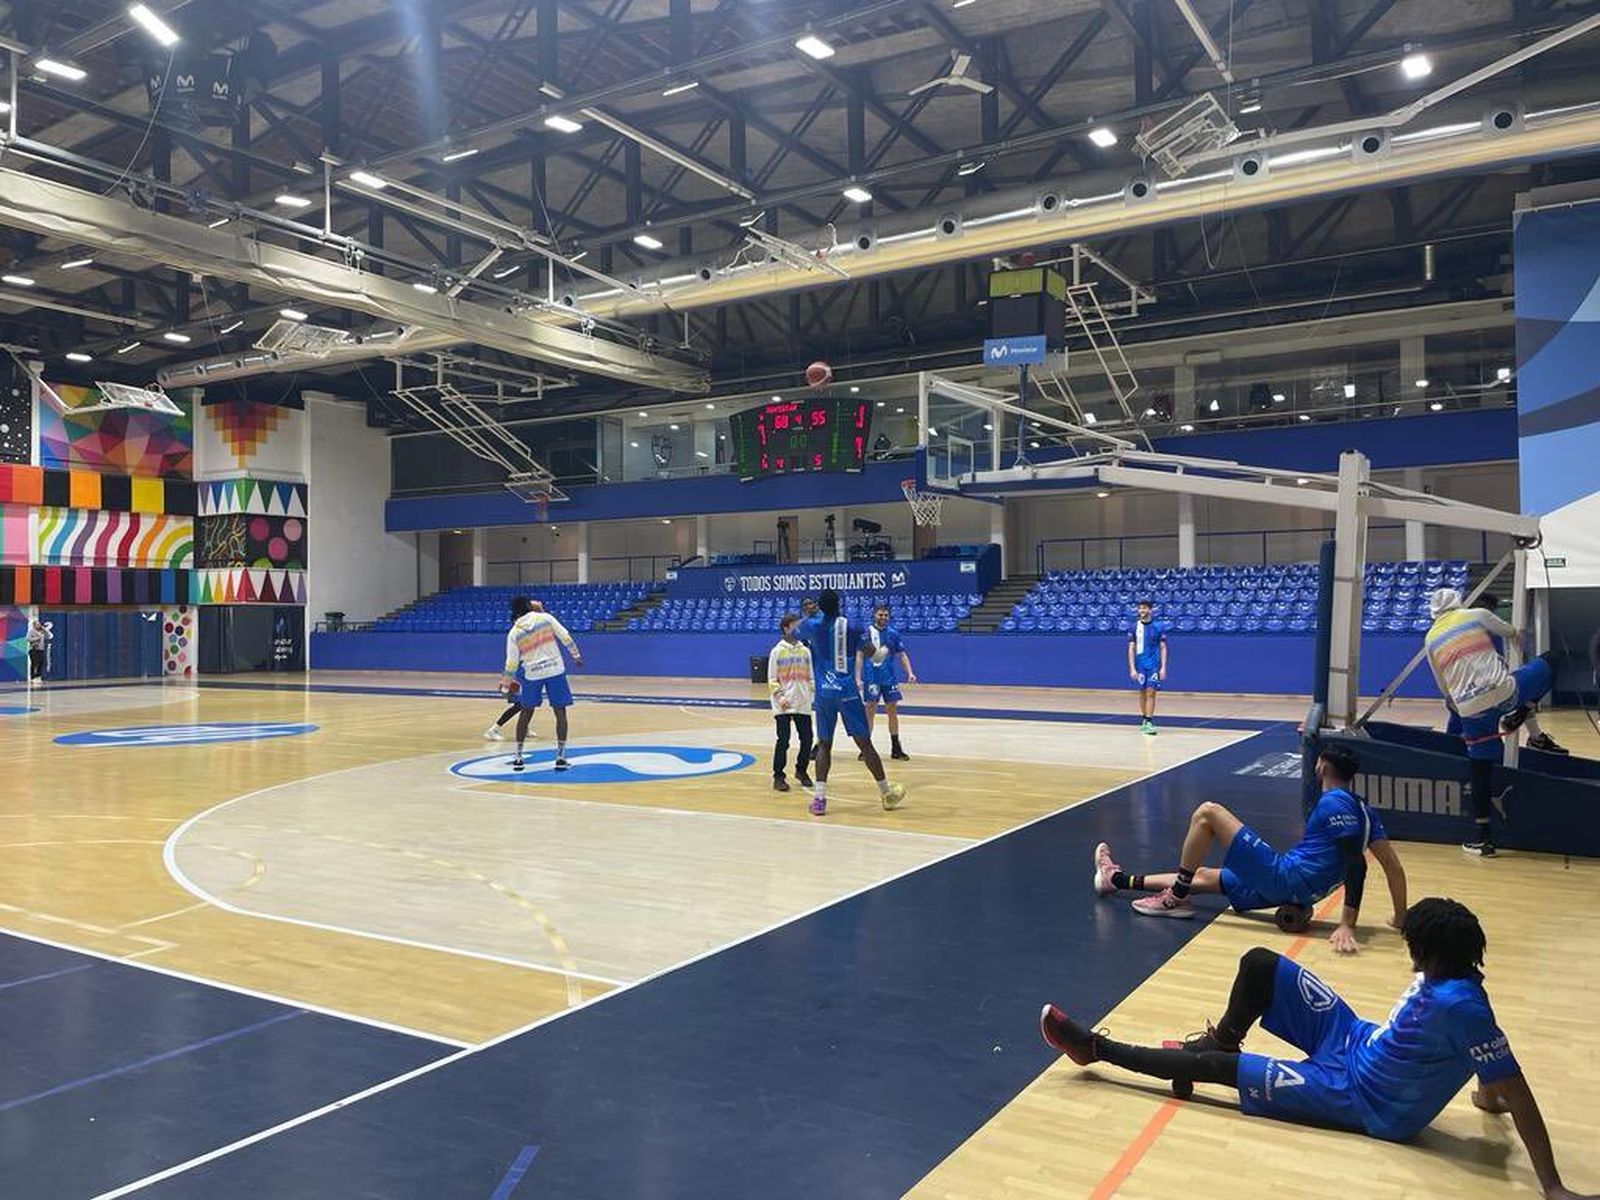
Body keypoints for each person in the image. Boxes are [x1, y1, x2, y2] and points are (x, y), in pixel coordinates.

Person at [1040, 897, 1597, 1200]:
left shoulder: (1462, 1006)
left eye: (1412, 945)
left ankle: (1096, 1050)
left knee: (1218, 1069)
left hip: (1357, 1096)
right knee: (1261, 963)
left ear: (1428, 950)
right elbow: (1488, 1061)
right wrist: (1485, 1094)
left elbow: (1517, 1088)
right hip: (1356, 1040)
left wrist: (1550, 1186)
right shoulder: (1459, 981)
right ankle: (1220, 1035)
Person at [1094, 744, 1408, 952]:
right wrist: (1400, 917)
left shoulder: (1333, 802)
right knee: (1203, 876)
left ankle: (1175, 896)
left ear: (1321, 766)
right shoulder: (1364, 809)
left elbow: (1356, 863)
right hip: (1299, 890)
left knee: (1208, 813)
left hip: (1286, 877)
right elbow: (1393, 868)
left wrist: (1346, 923)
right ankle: (1115, 880)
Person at [1425, 587, 1565, 858]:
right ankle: (1523, 713)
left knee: (1480, 769)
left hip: (1469, 710)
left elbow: (1444, 687)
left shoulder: (1430, 639)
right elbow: (1512, 632)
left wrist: (1461, 707)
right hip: (1504, 693)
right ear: (1458, 603)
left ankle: (1483, 840)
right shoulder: (1477, 615)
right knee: (1553, 659)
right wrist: (1517, 637)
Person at [796, 588, 906, 817]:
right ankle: (886, 792)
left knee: (824, 744)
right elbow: (875, 656)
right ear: (839, 605)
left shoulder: (811, 625)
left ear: (819, 606)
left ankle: (819, 800)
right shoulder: (853, 626)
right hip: (847, 692)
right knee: (865, 744)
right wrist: (888, 647)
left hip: (824, 694)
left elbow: (792, 634)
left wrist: (808, 617)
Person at [501, 595, 582, 772]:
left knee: (525, 713)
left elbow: (511, 662)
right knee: (560, 712)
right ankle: (560, 757)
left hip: (532, 674)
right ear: (529, 606)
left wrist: (506, 685)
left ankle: (519, 757)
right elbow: (565, 637)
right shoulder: (546, 618)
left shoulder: (514, 632)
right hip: (555, 670)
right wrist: (575, 655)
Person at [858, 605, 917, 761]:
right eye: (880, 615)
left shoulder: (893, 634)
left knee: (892, 710)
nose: (883, 617)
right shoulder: (866, 634)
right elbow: (859, 656)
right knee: (870, 710)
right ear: (874, 615)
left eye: (886, 615)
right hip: (872, 677)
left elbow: (902, 655)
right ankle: (866, 748)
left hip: (889, 677)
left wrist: (909, 673)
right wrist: (857, 677)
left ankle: (896, 747)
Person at [768, 613, 815, 794]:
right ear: (786, 628)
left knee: (807, 740)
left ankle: (801, 770)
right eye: (796, 626)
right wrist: (780, 698)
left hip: (803, 703)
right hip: (783, 705)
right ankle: (778, 776)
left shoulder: (806, 651)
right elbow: (772, 678)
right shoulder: (777, 651)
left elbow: (811, 676)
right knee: (783, 740)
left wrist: (810, 694)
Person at [486, 600, 544, 741]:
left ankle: (524, 728)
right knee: (520, 704)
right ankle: (494, 729)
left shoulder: (530, 628)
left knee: (529, 702)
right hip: (518, 671)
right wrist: (508, 679)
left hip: (529, 670)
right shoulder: (517, 632)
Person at [1127, 599, 1168, 735]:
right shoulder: (1134, 627)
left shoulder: (1159, 626)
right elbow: (1131, 648)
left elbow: (1163, 647)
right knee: (1142, 692)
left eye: (1144, 608)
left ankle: (1149, 721)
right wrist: (1132, 668)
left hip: (1154, 665)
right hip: (1140, 665)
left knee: (1151, 691)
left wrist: (1163, 667)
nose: (1141, 611)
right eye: (1140, 608)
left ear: (1150, 610)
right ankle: (1144, 719)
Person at [26, 617, 51, 682]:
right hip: (34, 650)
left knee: (41, 663)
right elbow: (28, 639)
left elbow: (48, 636)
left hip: (41, 649)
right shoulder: (31, 631)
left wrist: (45, 629)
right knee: (34, 663)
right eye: (37, 624)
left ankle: (38, 676)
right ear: (34, 625)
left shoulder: (42, 631)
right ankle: (32, 677)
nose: (39, 625)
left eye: (39, 624)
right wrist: (36, 638)